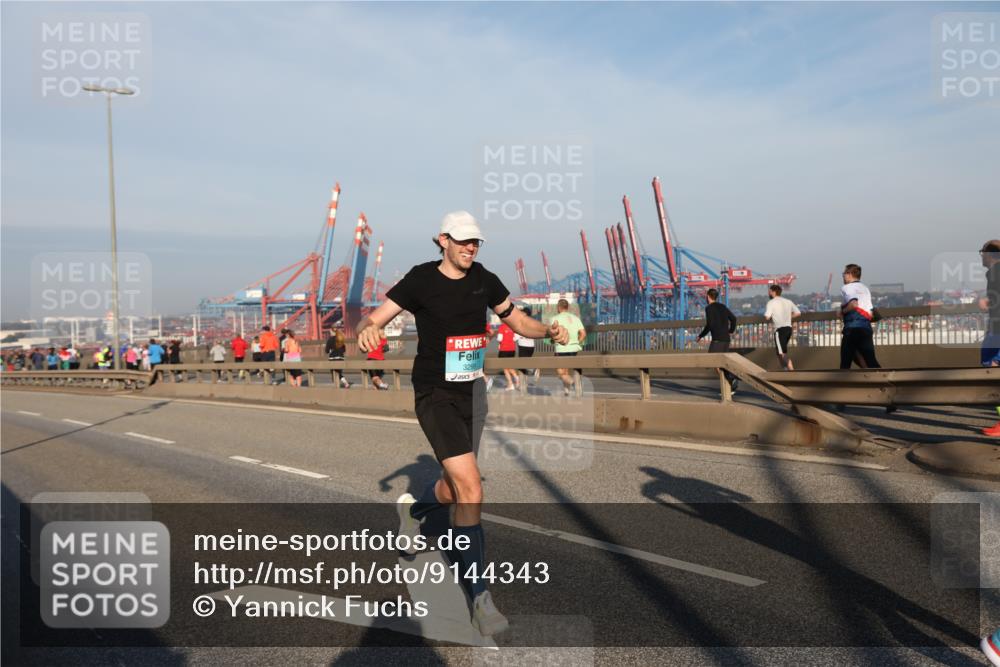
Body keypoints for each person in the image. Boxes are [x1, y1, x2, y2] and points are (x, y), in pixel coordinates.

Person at [356, 210, 568, 637]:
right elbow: (373, 318)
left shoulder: (484, 279)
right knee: (471, 488)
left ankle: (413, 511)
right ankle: (480, 599)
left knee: (454, 487)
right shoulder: (420, 279)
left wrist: (546, 329)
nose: (471, 248)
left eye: (476, 242)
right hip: (434, 394)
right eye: (463, 241)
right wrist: (366, 331)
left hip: (473, 393)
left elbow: (516, 319)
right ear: (442, 240)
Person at [839, 264, 881, 370]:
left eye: (844, 274)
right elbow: (871, 314)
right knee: (871, 360)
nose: (843, 276)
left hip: (852, 329)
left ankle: (841, 385)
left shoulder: (847, 287)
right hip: (865, 329)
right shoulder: (865, 288)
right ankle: (882, 380)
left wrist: (842, 312)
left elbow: (853, 304)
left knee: (845, 362)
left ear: (849, 274)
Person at [696, 288, 739, 392]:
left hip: (717, 340)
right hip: (726, 339)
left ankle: (731, 379)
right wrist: (731, 330)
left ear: (708, 296)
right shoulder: (723, 306)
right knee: (722, 363)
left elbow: (709, 325)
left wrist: (700, 335)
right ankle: (728, 388)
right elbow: (733, 319)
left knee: (713, 362)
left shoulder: (709, 308)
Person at [980, 240, 1000, 437]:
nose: (981, 256)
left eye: (982, 252)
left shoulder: (995, 272)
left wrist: (989, 301)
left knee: (990, 368)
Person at [552, 299, 586, 396]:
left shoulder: (555, 319)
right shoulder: (575, 318)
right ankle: (566, 391)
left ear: (558, 307)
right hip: (574, 349)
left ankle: (574, 383)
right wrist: (576, 342)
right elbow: (583, 334)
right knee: (566, 370)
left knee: (560, 372)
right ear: (567, 307)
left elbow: (552, 334)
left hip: (561, 348)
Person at [764, 284, 801, 371]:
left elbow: (767, 317)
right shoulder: (788, 301)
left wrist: (771, 316)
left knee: (782, 353)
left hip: (779, 330)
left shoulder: (771, 302)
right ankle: (785, 370)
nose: (768, 293)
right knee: (779, 352)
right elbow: (798, 313)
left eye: (769, 291)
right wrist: (788, 317)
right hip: (788, 329)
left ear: (773, 292)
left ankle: (792, 371)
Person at [514, 305, 539, 383]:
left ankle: (534, 370)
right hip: (531, 346)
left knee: (521, 365)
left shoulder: (521, 323)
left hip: (523, 346)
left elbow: (515, 337)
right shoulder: (532, 323)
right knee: (526, 363)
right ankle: (525, 382)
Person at [495, 319, 519, 391]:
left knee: (505, 367)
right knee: (509, 366)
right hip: (512, 349)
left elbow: (499, 339)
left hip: (504, 349)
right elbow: (516, 338)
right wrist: (510, 340)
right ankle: (515, 379)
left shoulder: (502, 327)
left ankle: (511, 383)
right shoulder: (512, 326)